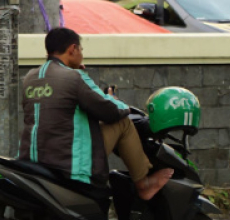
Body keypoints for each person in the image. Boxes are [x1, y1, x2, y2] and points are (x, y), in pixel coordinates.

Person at [20, 27, 172, 201]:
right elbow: (111, 111)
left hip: (35, 160)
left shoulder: (30, 78)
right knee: (123, 123)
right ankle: (144, 184)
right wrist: (116, 101)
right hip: (67, 164)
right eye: (81, 49)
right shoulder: (74, 77)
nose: (81, 54)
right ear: (73, 49)